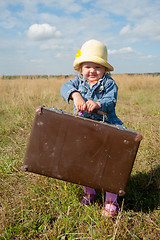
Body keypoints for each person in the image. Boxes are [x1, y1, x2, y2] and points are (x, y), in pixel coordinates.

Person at [60, 39, 123, 217]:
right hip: (83, 129)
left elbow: (111, 101)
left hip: (106, 127)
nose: (92, 71)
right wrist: (76, 95)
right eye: (88, 66)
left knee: (109, 163)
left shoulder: (109, 83)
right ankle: (89, 191)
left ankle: (111, 201)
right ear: (81, 69)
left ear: (104, 70)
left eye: (97, 67)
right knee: (83, 161)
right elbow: (65, 87)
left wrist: (97, 103)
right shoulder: (77, 83)